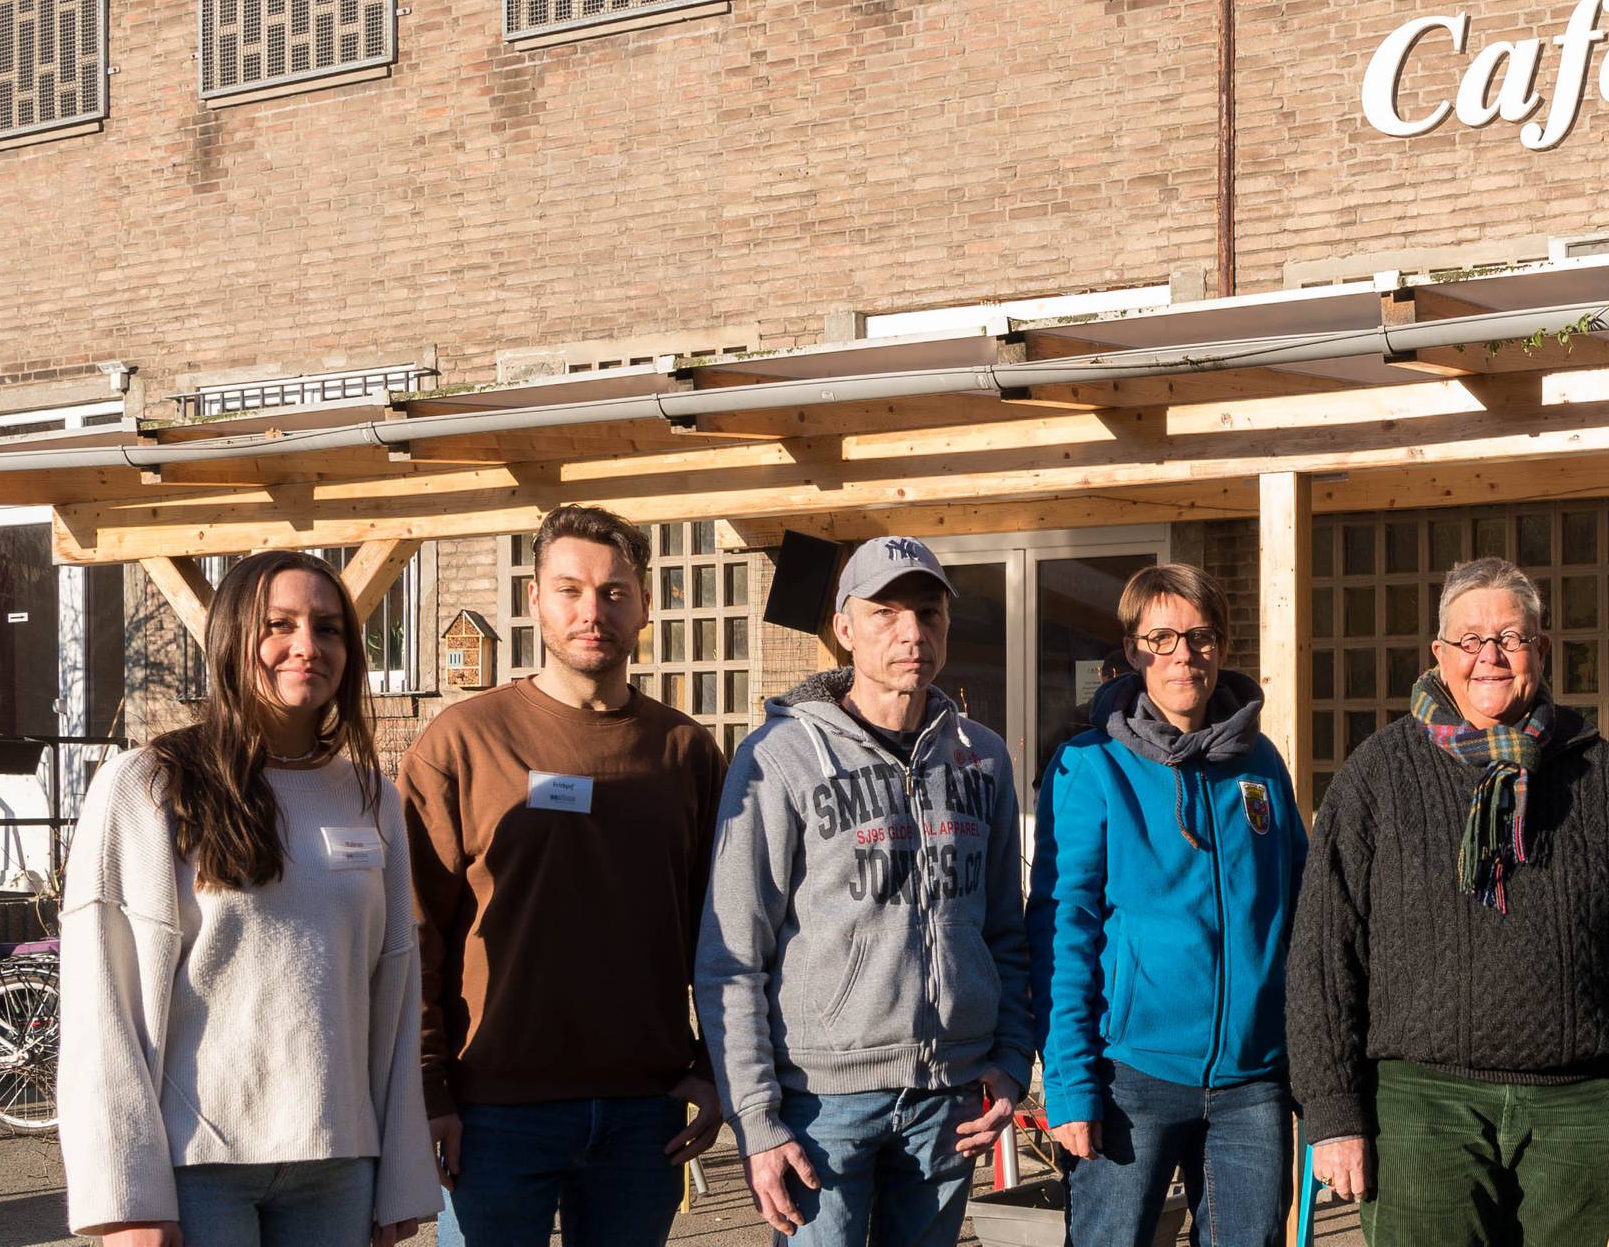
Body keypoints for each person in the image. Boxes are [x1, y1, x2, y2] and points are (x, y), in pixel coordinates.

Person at [1287, 556, 1609, 1247]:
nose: (1490, 656)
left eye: (1510, 637)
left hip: (1581, 1111)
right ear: (1439, 655)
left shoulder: (1601, 773)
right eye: (1470, 640)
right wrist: (1333, 1115)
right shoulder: (1379, 774)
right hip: (1420, 1107)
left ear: (1540, 650)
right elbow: (1325, 957)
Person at [60, 550, 436, 1247]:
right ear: (232, 639)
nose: (307, 647)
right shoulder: (147, 784)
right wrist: (126, 1197)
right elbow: (101, 1003)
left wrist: (400, 1177)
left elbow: (393, 991)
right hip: (197, 1168)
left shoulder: (371, 797)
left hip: (339, 1163)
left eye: (328, 629)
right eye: (279, 625)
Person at [400, 505, 728, 1246]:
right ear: (535, 601)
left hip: (645, 1112)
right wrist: (426, 1090)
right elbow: (411, 932)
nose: (593, 611)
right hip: (491, 1113)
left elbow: (727, 931)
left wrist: (714, 1067)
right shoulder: (463, 742)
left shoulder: (685, 752)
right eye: (570, 589)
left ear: (647, 604)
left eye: (615, 592)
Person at [696, 535, 1032, 1247]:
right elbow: (732, 954)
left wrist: (1009, 1059)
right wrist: (755, 1119)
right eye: (886, 612)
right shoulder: (779, 758)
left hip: (952, 1097)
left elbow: (1004, 929)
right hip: (823, 1104)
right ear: (844, 629)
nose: (912, 632)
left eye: (929, 612)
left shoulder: (984, 757)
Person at [1030, 564, 1307, 1247]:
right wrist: (1068, 1086)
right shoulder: (1090, 766)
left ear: (1222, 645)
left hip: (1253, 1081)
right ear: (1132, 651)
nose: (1184, 654)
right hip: (1133, 1077)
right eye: (1161, 638)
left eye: (1200, 635)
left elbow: (1300, 914)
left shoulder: (1261, 764)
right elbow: (1063, 932)